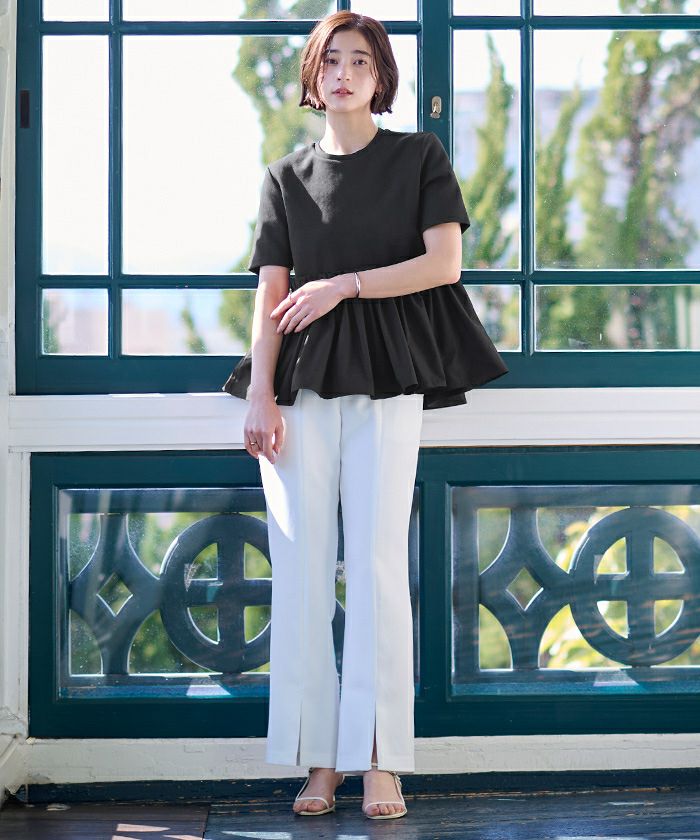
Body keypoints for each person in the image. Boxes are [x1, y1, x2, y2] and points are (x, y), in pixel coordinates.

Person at [222, 10, 509, 820]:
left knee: (378, 565)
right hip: (298, 386)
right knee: (301, 571)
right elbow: (270, 296)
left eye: (359, 61)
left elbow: (443, 263)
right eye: (330, 61)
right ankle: (320, 759)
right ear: (312, 78)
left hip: (390, 376)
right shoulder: (285, 176)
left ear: (381, 76)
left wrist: (343, 285)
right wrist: (260, 393)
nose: (343, 73)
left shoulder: (418, 156)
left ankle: (379, 758)